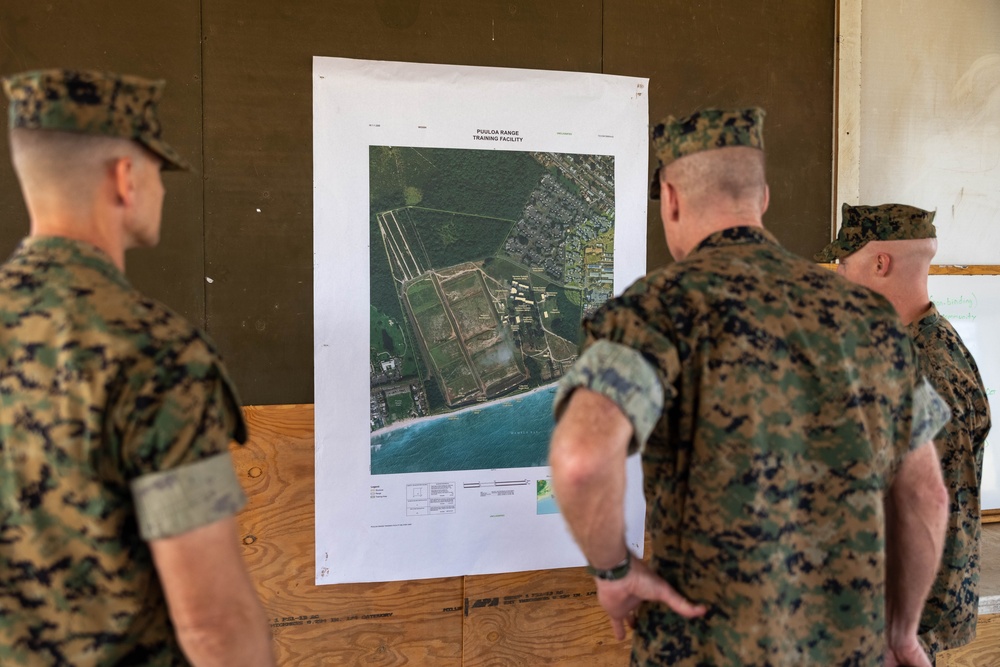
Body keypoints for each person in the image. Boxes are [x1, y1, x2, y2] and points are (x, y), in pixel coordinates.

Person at [548, 107, 951, 666]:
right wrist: (903, 631)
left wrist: (614, 571)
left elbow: (579, 461)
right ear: (762, 199)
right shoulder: (870, 319)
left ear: (670, 198)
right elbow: (926, 495)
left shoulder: (655, 312)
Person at [0, 69, 275, 666]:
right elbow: (212, 622)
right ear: (126, 178)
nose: (164, 190)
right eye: (158, 171)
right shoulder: (156, 355)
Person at [816, 203, 992, 664]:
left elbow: (934, 506)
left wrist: (903, 630)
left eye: (843, 262)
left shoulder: (928, 368)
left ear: (880, 263)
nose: (838, 275)